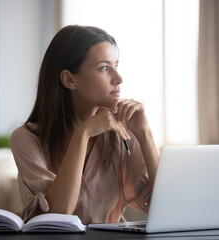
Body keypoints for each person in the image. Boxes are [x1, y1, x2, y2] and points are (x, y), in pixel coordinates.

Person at [10, 25, 159, 224]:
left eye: (116, 65)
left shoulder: (121, 133)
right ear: (69, 79)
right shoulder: (26, 139)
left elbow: (165, 206)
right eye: (104, 68)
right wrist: (83, 133)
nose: (119, 78)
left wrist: (145, 132)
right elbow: (56, 216)